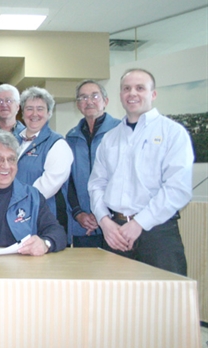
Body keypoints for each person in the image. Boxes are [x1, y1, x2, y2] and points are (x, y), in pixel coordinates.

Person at [88, 68, 193, 275]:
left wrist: (138, 223)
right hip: (114, 233)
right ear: (120, 96)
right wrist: (104, 222)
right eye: (126, 88)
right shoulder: (110, 138)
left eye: (140, 88)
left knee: (165, 301)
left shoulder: (172, 133)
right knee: (116, 302)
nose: (132, 93)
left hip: (157, 232)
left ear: (153, 94)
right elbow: (96, 185)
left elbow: (177, 188)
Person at [65, 80, 120, 247]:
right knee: (85, 272)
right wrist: (78, 213)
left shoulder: (120, 132)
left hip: (116, 222)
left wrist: (103, 214)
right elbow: (67, 181)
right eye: (83, 97)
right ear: (78, 104)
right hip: (84, 225)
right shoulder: (71, 138)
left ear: (106, 101)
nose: (89, 101)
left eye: (94, 96)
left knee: (117, 272)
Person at [16, 86, 73, 222]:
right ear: (22, 113)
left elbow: (46, 186)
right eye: (29, 108)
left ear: (49, 113)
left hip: (44, 217)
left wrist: (14, 202)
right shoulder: (14, 141)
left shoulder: (58, 144)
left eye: (40, 109)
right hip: (17, 215)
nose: (34, 114)